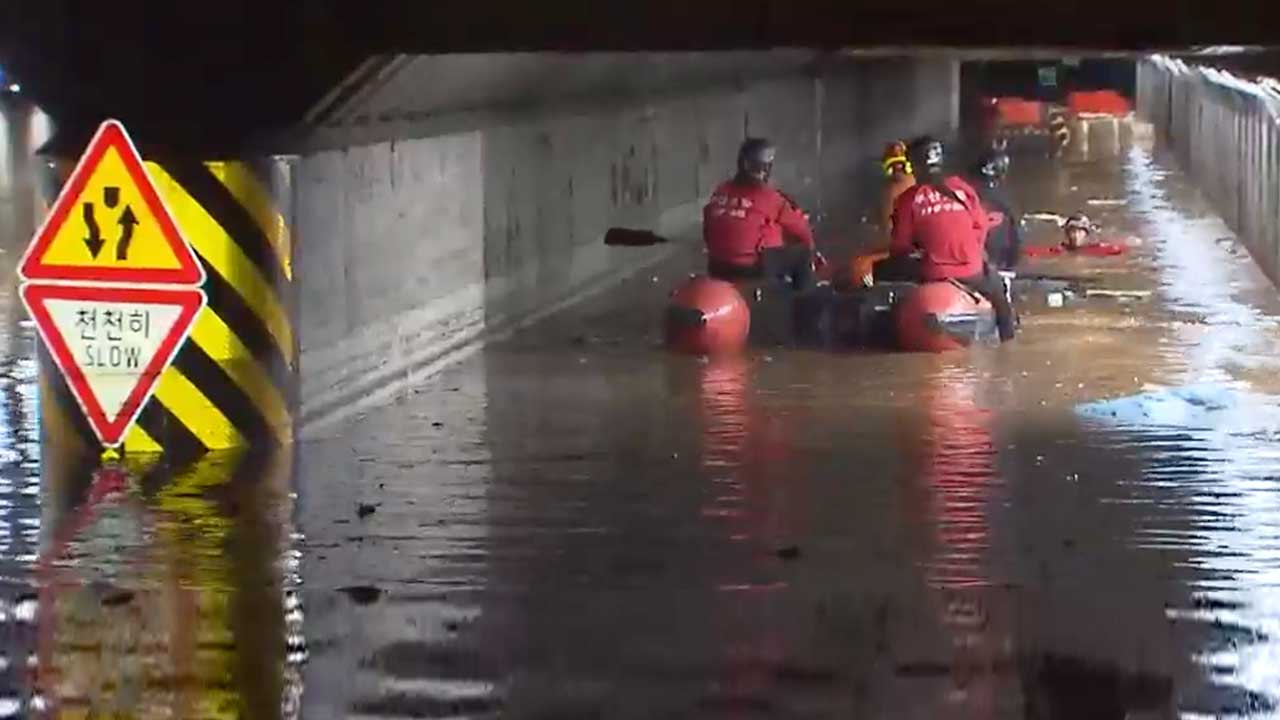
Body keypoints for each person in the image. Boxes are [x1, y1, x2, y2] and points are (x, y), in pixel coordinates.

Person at [884, 136, 1016, 342]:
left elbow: (900, 246)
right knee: (998, 290)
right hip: (972, 269)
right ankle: (1008, 339)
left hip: (933, 271)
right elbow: (980, 228)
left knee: (883, 273)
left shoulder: (908, 199)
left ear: (914, 165)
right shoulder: (963, 189)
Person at [703, 138, 824, 291]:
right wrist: (812, 251)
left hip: (717, 267)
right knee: (801, 254)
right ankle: (805, 305)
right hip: (752, 269)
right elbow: (802, 232)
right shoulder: (771, 197)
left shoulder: (720, 191)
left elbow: (707, 229)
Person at [971, 150, 1023, 271]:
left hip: (976, 264)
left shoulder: (965, 195)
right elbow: (1016, 239)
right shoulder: (1006, 199)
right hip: (1000, 262)